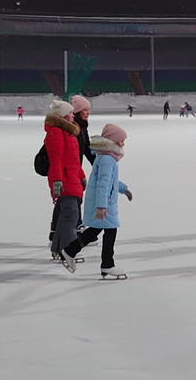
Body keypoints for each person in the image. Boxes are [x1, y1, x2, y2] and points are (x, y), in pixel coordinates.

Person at [57, 123, 133, 278]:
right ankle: (107, 265)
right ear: (112, 142)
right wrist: (101, 206)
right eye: (120, 141)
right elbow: (103, 184)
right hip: (104, 203)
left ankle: (70, 251)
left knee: (95, 231)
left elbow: (110, 182)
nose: (123, 144)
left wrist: (123, 188)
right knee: (109, 231)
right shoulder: (107, 159)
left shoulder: (107, 158)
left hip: (105, 202)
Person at [44, 99, 86, 267]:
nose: (72, 115)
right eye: (69, 112)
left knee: (65, 217)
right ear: (62, 115)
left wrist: (81, 175)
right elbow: (56, 159)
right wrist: (57, 181)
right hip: (65, 181)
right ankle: (68, 250)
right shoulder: (56, 133)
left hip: (72, 179)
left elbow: (74, 160)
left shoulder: (69, 132)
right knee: (70, 216)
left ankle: (58, 249)